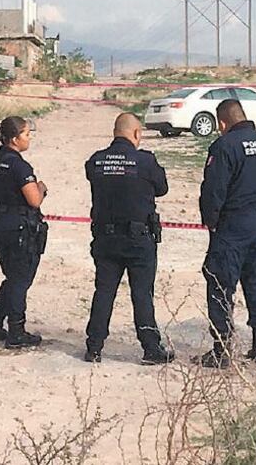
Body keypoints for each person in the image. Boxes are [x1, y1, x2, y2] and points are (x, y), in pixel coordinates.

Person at [195, 99, 256, 368]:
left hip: (233, 224)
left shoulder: (224, 146)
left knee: (220, 284)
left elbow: (213, 190)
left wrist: (211, 222)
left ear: (222, 123)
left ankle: (221, 349)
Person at [83, 113, 175, 365]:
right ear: (136, 134)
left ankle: (94, 347)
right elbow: (162, 188)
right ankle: (150, 348)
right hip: (138, 238)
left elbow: (95, 178)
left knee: (103, 292)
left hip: (105, 237)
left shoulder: (95, 161)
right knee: (142, 294)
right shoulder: (145, 161)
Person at [0, 116, 49, 349]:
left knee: (12, 279)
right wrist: (41, 187)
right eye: (27, 135)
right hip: (19, 225)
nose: (28, 139)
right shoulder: (19, 165)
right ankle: (16, 331)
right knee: (20, 281)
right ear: (15, 138)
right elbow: (34, 199)